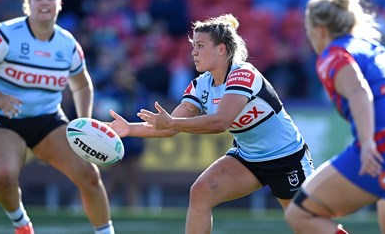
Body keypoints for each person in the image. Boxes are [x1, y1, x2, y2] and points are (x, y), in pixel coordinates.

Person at [108, 14, 314, 234]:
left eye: (200, 46)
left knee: (306, 225)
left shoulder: (243, 74)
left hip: (286, 158)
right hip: (248, 157)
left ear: (221, 49)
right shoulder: (201, 85)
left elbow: (220, 122)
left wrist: (172, 122)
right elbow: (170, 128)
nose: (194, 52)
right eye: (193, 46)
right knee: (200, 191)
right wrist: (129, 129)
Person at [284, 0, 385, 234]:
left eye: (308, 30)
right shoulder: (373, 48)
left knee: (301, 213)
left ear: (321, 30)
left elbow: (358, 91)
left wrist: (368, 143)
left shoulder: (333, 54)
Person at [0, 0, 115, 234]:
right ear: (27, 4)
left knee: (89, 176)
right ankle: (22, 224)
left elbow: (82, 85)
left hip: (46, 119)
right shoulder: (3, 35)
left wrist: (84, 123)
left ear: (59, 3)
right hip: (1, 118)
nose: (44, 3)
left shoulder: (67, 45)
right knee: (3, 176)